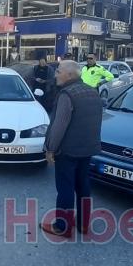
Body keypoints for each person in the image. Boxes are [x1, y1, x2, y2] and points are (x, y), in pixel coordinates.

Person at [41, 61, 104, 237]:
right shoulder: (92, 92)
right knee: (83, 186)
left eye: (58, 71)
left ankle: (62, 226)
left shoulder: (66, 95)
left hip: (68, 151)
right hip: (88, 149)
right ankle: (83, 224)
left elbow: (59, 126)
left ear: (69, 75)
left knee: (65, 188)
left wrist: (50, 149)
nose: (55, 75)